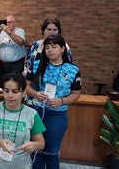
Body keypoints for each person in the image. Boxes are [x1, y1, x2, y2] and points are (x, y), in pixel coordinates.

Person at [25, 35, 81, 169]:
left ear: (62, 49)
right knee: (36, 150)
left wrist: (62, 101)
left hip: (57, 115)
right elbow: (25, 86)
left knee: (51, 152)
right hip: (36, 112)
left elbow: (76, 94)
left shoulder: (73, 70)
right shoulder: (37, 64)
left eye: (54, 47)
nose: (50, 50)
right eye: (47, 47)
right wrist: (35, 94)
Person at [0, 73, 45, 169]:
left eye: (15, 91)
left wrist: (34, 145)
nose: (9, 95)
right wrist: (0, 143)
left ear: (24, 93)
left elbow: (41, 143)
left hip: (21, 165)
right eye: (6, 91)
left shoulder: (32, 114)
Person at [0, 15, 26, 87]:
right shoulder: (1, 32)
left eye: (10, 22)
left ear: (14, 23)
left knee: (15, 85)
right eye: (6, 22)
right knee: (0, 85)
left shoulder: (20, 31)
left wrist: (9, 32)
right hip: (1, 65)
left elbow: (21, 42)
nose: (8, 24)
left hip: (16, 65)